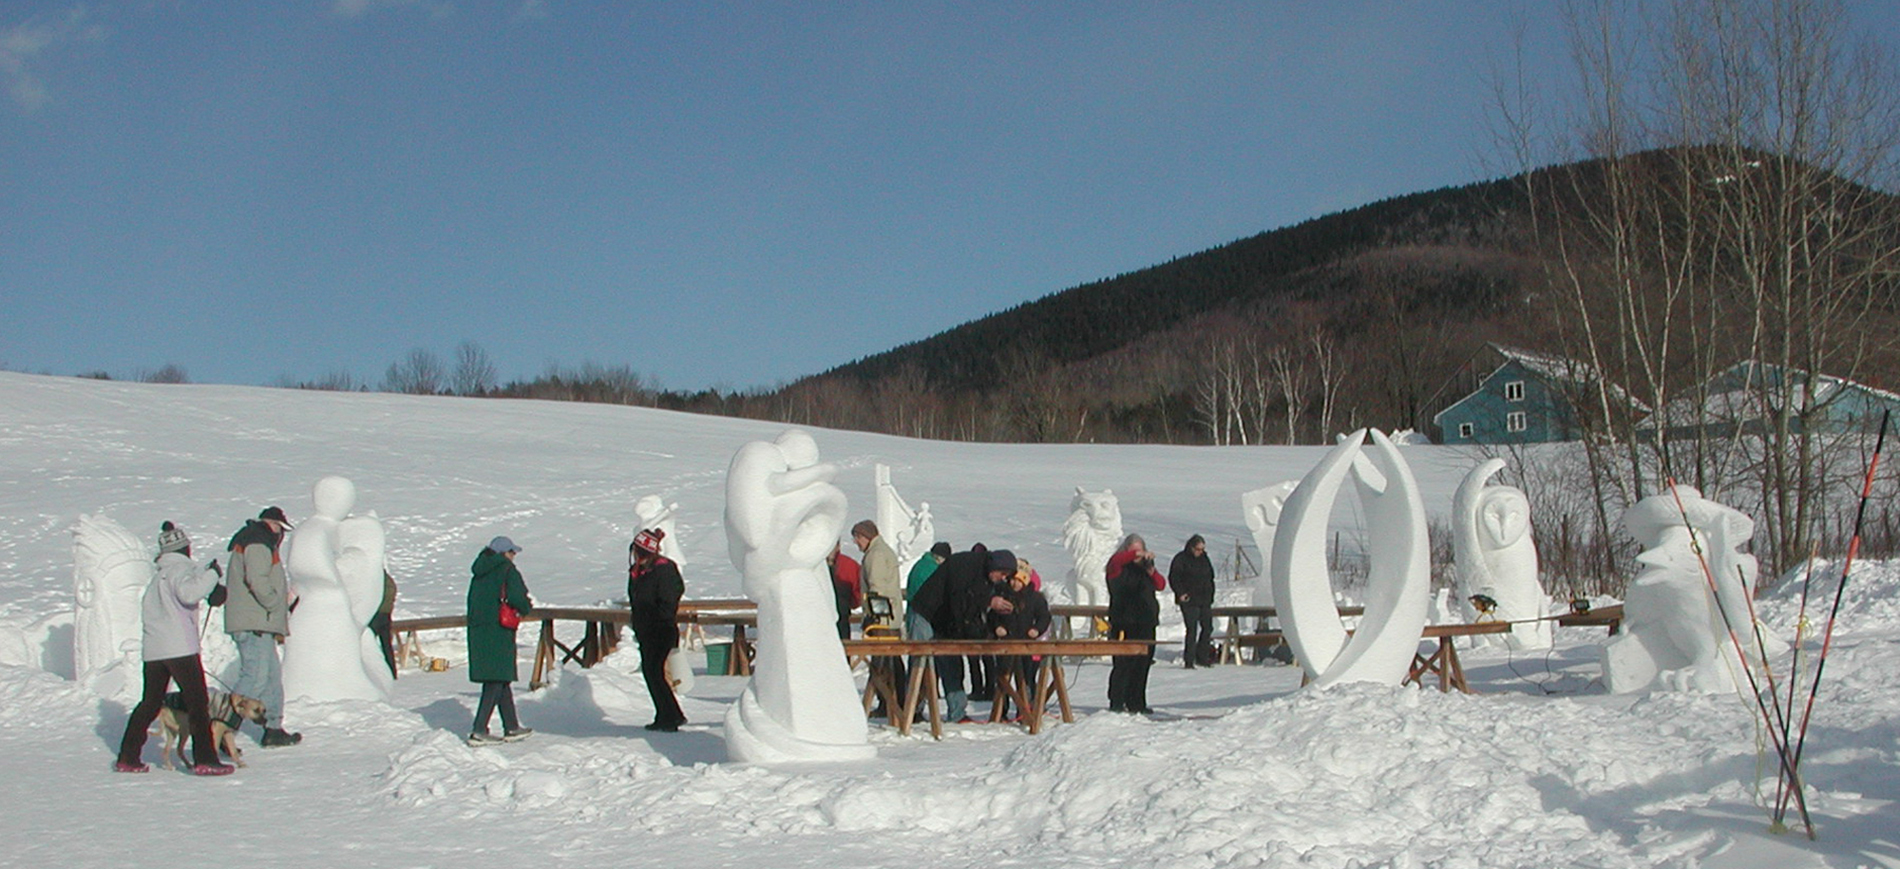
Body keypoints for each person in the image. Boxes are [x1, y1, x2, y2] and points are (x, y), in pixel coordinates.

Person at [116, 522, 234, 775]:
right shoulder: (180, 570)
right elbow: (189, 594)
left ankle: (128, 756)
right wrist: (212, 574)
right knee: (198, 702)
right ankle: (205, 759)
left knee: (150, 703)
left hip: (154, 651)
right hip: (179, 648)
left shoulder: (157, 578)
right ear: (184, 549)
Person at [223, 506, 302, 747]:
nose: (281, 533)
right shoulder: (258, 542)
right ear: (270, 523)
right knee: (254, 679)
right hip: (253, 623)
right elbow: (257, 580)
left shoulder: (258, 540)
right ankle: (220, 730)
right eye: (279, 527)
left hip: (260, 623)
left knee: (270, 678)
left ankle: (273, 728)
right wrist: (275, 601)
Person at [466, 536, 534, 745]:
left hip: (479, 630)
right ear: (504, 553)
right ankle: (479, 729)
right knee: (495, 680)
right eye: (512, 552)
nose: (514, 556)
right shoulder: (506, 570)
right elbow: (517, 597)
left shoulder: (479, 572)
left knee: (500, 677)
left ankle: (511, 726)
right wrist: (526, 608)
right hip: (499, 630)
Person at [913, 544, 993, 722]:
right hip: (930, 617)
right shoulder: (958, 571)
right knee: (923, 664)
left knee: (947, 665)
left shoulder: (966, 572)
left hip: (943, 622)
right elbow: (957, 601)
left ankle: (952, 711)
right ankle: (913, 709)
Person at [628, 528, 687, 732]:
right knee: (651, 672)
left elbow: (670, 597)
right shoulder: (638, 571)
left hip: (660, 628)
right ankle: (667, 714)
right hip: (645, 628)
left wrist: (660, 618)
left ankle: (670, 716)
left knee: (654, 671)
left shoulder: (663, 569)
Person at [984, 549, 1050, 720]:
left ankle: (1026, 710)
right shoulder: (1001, 594)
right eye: (1013, 580)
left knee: (1027, 680)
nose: (1015, 584)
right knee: (1004, 679)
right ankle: (1001, 711)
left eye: (1019, 581)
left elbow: (1044, 616)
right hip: (1006, 642)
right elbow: (991, 616)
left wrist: (1037, 629)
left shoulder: (1035, 598)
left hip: (1026, 644)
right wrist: (997, 627)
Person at [851, 520, 906, 715]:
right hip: (890, 617)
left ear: (864, 536)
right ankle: (897, 702)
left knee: (882, 663)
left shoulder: (875, 555)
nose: (856, 543)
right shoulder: (881, 551)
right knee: (892, 661)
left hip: (882, 619)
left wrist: (873, 615)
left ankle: (890, 704)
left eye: (857, 538)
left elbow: (877, 589)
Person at [1106, 535, 1164, 714]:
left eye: (1140, 550)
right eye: (1133, 550)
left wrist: (1151, 571)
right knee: (1123, 664)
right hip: (1124, 621)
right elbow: (1116, 561)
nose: (1137, 555)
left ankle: (1137, 701)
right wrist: (1134, 554)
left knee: (1143, 664)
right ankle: (1117, 701)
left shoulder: (1145, 569)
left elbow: (1161, 585)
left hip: (1146, 621)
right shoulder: (1117, 566)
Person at [1169, 535, 1216, 668]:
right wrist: (1180, 593)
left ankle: (1203, 656)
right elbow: (1174, 578)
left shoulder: (1204, 559)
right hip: (1189, 600)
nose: (1200, 552)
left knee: (1207, 628)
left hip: (1204, 599)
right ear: (1191, 547)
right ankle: (1189, 659)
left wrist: (1211, 594)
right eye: (1197, 549)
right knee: (1192, 629)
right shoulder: (1181, 559)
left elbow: (1210, 577)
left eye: (1202, 549)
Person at [827, 543, 861, 639]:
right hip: (821, 617)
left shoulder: (849, 565)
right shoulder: (813, 566)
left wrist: (853, 603)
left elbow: (858, 588)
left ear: (838, 546)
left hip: (842, 614)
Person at [369, 570, 398, 678]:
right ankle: (392, 670)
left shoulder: (377, 580)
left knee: (367, 642)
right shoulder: (389, 581)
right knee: (387, 645)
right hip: (386, 614)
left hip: (377, 614)